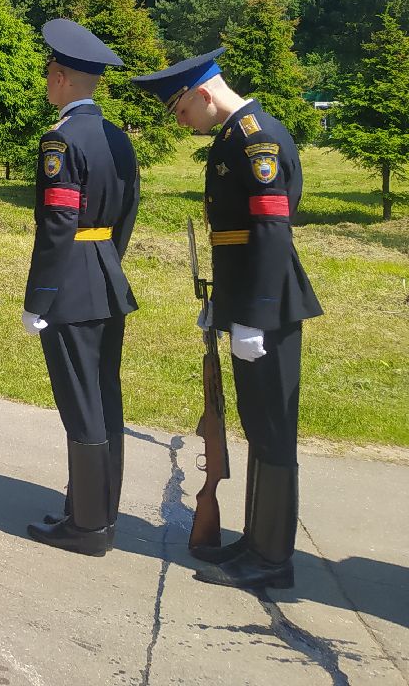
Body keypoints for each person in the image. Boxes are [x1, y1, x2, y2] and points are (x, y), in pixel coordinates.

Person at [133, 48, 321, 589]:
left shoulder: (255, 139)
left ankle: (273, 558)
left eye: (181, 109)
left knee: (273, 429)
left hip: (269, 305)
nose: (180, 120)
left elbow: (269, 233)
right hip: (247, 302)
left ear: (204, 94)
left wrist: (255, 317)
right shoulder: (233, 137)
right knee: (259, 425)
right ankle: (259, 540)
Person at [21, 20, 139, 556]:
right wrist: (108, 262)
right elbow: (128, 212)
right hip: (106, 276)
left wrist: (38, 297)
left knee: (80, 403)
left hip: (70, 282)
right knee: (104, 397)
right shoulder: (116, 137)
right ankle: (97, 511)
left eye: (50, 72)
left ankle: (87, 526)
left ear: (64, 77)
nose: (47, 81)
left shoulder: (61, 139)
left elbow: (57, 226)